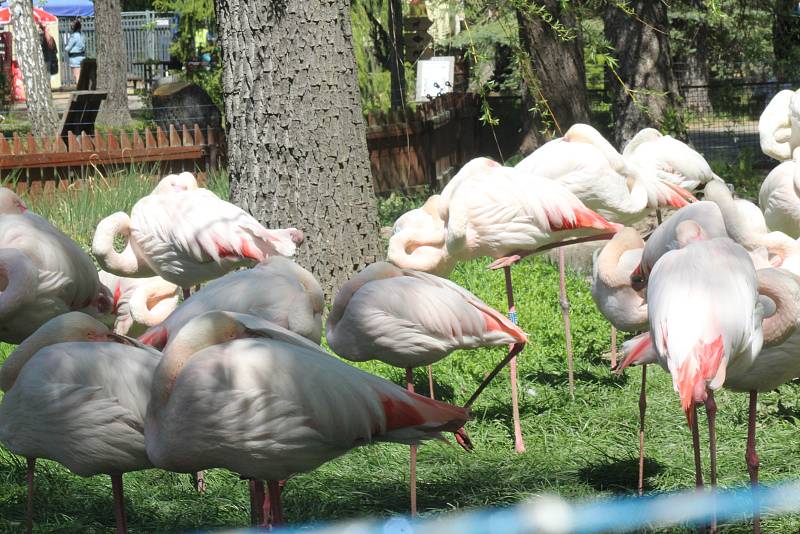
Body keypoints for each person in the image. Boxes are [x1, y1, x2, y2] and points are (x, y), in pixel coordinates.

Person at [63, 19, 85, 84]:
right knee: (81, 75)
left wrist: (65, 48)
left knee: (77, 76)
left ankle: (79, 91)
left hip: (74, 58)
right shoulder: (82, 35)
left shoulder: (74, 36)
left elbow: (68, 47)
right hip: (82, 57)